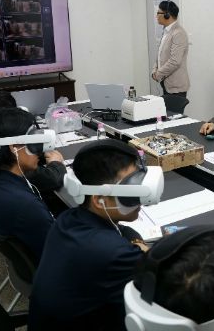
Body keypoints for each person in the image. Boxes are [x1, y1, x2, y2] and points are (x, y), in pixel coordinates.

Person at [29, 140, 152, 330]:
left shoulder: (68, 219)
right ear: (99, 200)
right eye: (131, 187)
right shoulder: (111, 253)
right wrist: (144, 252)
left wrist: (137, 244)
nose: (141, 194)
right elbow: (155, 294)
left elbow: (125, 233)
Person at [0, 107, 55, 262]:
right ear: (14, 147)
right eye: (33, 141)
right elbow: (58, 253)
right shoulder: (25, 205)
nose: (40, 150)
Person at [152, 0, 190, 99]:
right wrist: (154, 70)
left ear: (167, 15)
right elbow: (160, 55)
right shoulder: (166, 32)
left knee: (172, 110)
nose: (156, 16)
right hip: (166, 84)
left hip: (176, 87)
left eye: (158, 13)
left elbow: (175, 61)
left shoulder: (178, 33)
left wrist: (158, 74)